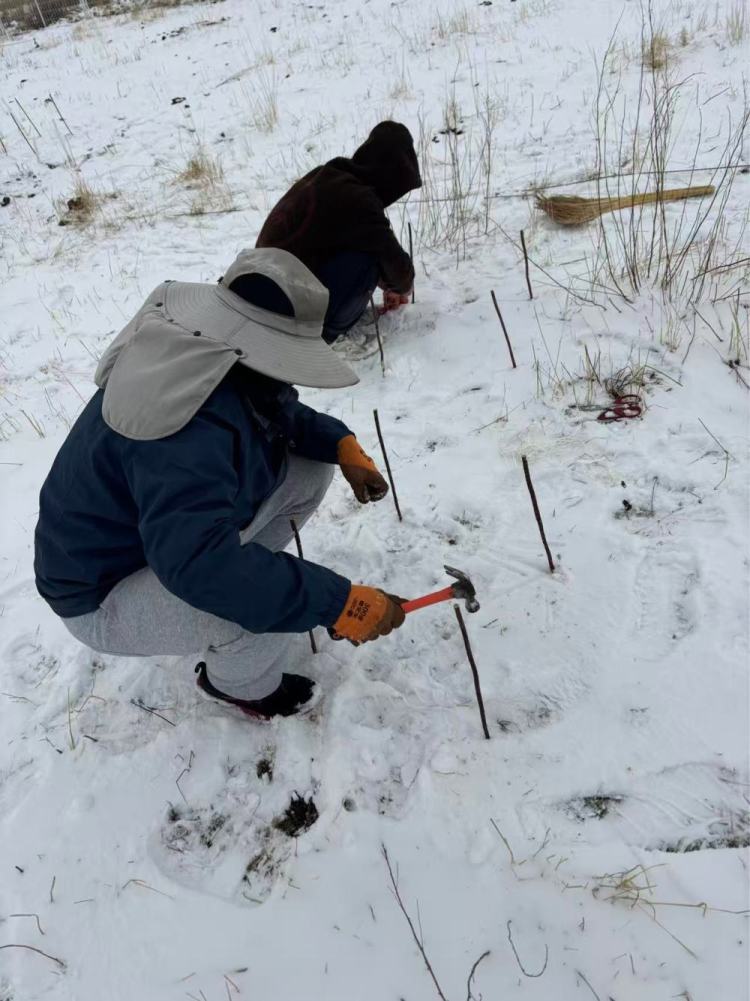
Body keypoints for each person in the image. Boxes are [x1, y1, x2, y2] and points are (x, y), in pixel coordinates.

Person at [34, 248, 406, 720]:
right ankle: (240, 687)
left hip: (155, 544)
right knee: (257, 604)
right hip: (100, 594)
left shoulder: (208, 356)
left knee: (309, 470)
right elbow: (205, 568)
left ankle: (233, 582)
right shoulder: (185, 432)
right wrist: (336, 602)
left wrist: (338, 443)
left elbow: (267, 408)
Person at [256, 120, 421, 344]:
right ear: (390, 175)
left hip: (259, 290)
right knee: (366, 262)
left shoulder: (326, 177)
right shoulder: (358, 199)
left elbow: (341, 237)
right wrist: (399, 287)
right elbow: (399, 271)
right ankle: (326, 335)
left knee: (362, 248)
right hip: (283, 309)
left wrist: (388, 282)